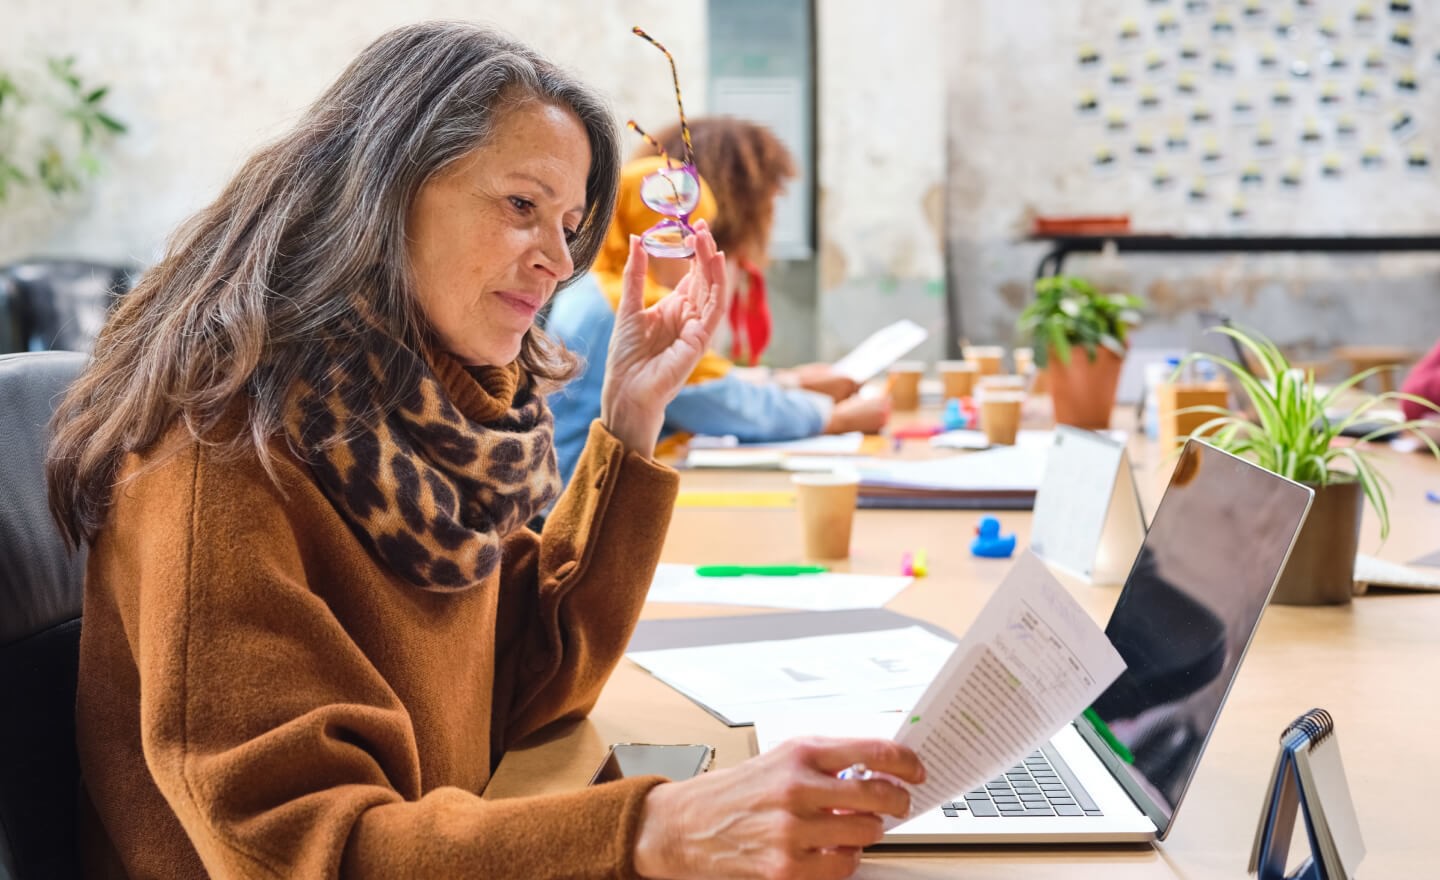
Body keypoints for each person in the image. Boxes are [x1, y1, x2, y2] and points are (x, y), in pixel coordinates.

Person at [46, 22, 922, 879]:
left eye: (570, 223)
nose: (556, 258)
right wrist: (655, 834)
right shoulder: (224, 455)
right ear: (383, 190)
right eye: (521, 206)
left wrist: (629, 417)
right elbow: (308, 850)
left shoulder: (424, 427)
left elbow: (534, 676)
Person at [547, 118, 888, 486]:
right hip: (580, 500)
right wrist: (831, 418)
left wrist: (787, 382)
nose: (694, 255)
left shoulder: (595, 287)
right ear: (650, 238)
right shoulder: (629, 302)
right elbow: (716, 398)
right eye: (685, 239)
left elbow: (699, 379)